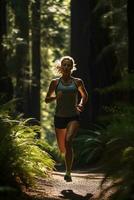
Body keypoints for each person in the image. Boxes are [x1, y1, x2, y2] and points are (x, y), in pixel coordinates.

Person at [45, 56, 88, 182]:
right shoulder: (55, 82)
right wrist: (55, 98)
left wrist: (81, 104)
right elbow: (46, 100)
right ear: (61, 67)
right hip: (59, 118)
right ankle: (67, 164)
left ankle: (68, 172)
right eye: (64, 65)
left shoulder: (78, 82)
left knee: (68, 141)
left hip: (73, 117)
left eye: (69, 65)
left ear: (72, 67)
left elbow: (84, 95)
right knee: (63, 148)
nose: (66, 67)